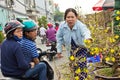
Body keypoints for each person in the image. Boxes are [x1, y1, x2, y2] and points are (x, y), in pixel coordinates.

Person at [56, 8, 92, 80]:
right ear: (65, 18)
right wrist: (59, 50)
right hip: (71, 50)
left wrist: (88, 38)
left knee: (82, 68)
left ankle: (83, 78)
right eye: (68, 17)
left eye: (72, 17)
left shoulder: (80, 25)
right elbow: (59, 38)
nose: (70, 19)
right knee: (73, 68)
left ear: (76, 17)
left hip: (81, 49)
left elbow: (86, 32)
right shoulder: (62, 26)